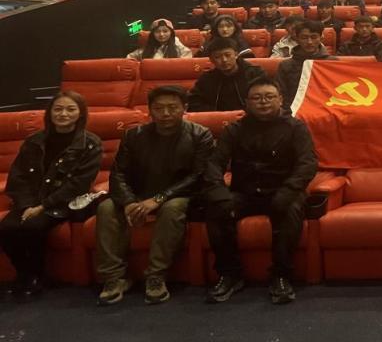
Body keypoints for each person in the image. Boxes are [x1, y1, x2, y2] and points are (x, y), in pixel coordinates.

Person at [94, 86, 213, 306]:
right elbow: (118, 173)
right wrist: (129, 202)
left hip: (180, 194)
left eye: (172, 107)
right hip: (139, 194)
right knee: (107, 207)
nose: (166, 113)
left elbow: (198, 176)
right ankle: (114, 278)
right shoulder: (134, 135)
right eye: (159, 108)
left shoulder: (200, 134)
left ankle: (156, 275)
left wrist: (158, 199)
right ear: (149, 110)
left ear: (184, 108)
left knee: (172, 208)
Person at [204, 77, 316, 305]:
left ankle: (281, 276)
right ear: (246, 102)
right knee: (217, 210)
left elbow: (307, 164)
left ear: (281, 99)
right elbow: (214, 164)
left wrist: (288, 190)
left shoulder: (296, 127)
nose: (263, 102)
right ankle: (230, 275)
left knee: (290, 210)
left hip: (283, 191)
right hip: (244, 192)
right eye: (256, 98)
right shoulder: (234, 130)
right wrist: (219, 193)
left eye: (269, 97)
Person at [0, 92, 101, 300]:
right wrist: (27, 204)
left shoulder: (90, 143)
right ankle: (25, 274)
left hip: (62, 202)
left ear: (80, 114)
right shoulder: (34, 141)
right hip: (30, 201)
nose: (63, 114)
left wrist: (42, 206)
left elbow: (78, 184)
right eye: (58, 109)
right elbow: (18, 176)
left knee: (32, 227)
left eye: (70, 109)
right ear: (50, 113)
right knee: (6, 228)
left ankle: (36, 277)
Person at [188, 38, 265, 111]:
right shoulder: (206, 79)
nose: (224, 60)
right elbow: (194, 102)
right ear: (211, 60)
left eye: (228, 55)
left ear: (236, 54)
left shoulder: (255, 73)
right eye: (217, 57)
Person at [277, 20, 339, 107]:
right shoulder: (285, 65)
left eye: (314, 37)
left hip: (327, 107)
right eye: (304, 38)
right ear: (297, 39)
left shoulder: (332, 63)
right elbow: (282, 95)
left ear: (321, 38)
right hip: (295, 109)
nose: (309, 42)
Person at [127, 19, 193, 60]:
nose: (161, 34)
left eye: (165, 31)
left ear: (171, 33)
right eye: (157, 31)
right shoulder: (147, 48)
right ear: (153, 34)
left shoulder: (178, 46)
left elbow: (186, 60)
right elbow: (130, 58)